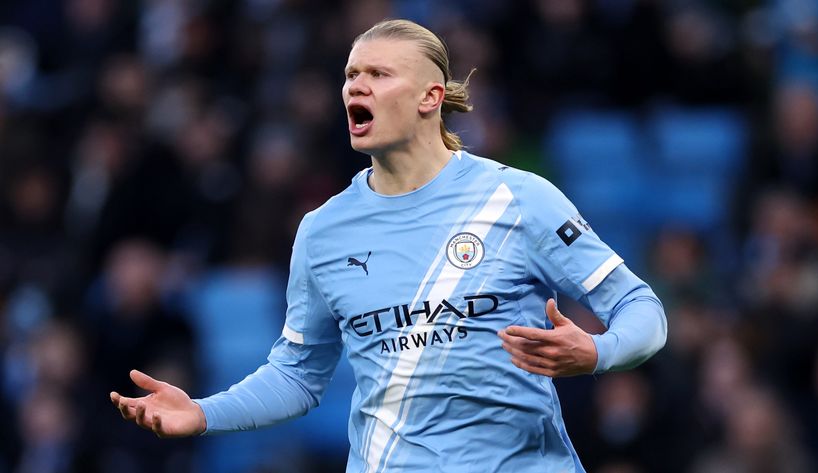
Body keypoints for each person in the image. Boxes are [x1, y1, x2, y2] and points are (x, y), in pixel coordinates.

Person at [110, 19, 668, 472]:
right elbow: (298, 374)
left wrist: (598, 353)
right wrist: (203, 413)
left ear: (431, 96)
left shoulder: (517, 198)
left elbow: (642, 310)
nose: (355, 86)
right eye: (351, 74)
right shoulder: (323, 230)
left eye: (378, 73)